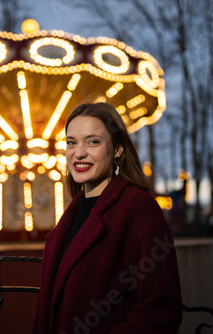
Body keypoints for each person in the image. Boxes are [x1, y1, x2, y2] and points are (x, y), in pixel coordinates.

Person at [32, 102, 182, 333]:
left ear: (118, 149)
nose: (79, 152)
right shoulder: (71, 215)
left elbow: (161, 308)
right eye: (71, 142)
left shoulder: (137, 208)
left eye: (93, 141)